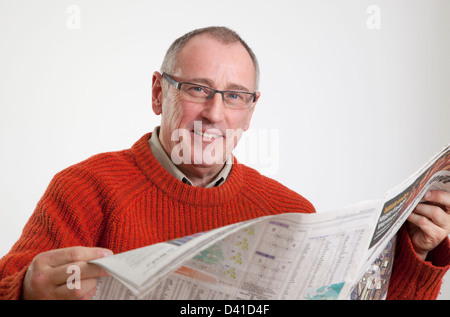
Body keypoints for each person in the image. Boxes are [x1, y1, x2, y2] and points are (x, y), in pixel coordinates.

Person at [0, 26, 448, 300]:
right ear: (158, 93)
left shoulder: (290, 210)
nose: (215, 114)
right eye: (197, 88)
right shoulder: (83, 188)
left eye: (234, 96)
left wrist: (418, 256)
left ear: (251, 110)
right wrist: (23, 291)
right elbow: (13, 282)